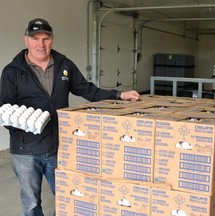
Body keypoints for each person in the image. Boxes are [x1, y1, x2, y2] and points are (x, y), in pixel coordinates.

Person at [0, 18, 139, 216]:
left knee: (68, 197)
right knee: (31, 203)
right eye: (35, 38)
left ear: (52, 40)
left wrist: (119, 95)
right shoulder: (12, 71)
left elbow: (88, 90)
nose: (41, 44)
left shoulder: (64, 65)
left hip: (59, 146)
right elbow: (5, 109)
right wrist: (24, 129)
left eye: (46, 38)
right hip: (26, 151)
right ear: (26, 41)